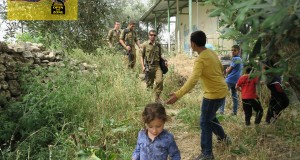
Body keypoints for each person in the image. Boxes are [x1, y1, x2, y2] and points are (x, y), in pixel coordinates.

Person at [166, 30, 229, 160]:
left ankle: (207, 154)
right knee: (210, 117)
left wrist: (177, 95)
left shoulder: (200, 59)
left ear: (193, 44)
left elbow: (192, 80)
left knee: (205, 121)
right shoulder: (211, 53)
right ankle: (224, 139)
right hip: (222, 90)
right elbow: (221, 69)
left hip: (213, 94)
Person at [140, 30, 167, 102]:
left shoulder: (158, 45)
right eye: (151, 35)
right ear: (149, 35)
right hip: (149, 66)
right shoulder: (145, 45)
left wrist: (165, 61)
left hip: (157, 66)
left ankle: (157, 97)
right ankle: (148, 100)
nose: (153, 36)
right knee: (149, 84)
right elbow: (141, 57)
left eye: (154, 35)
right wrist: (143, 66)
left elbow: (160, 56)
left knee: (159, 81)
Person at [262, 58, 289, 124]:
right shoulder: (270, 57)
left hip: (274, 83)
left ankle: (268, 120)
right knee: (285, 101)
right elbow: (263, 66)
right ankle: (275, 112)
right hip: (274, 84)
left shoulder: (276, 60)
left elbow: (278, 74)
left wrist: (284, 82)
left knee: (273, 101)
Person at [219, 45, 243, 115]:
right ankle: (235, 112)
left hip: (230, 80)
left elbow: (229, 71)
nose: (232, 52)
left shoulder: (235, 59)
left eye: (234, 50)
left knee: (222, 95)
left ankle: (221, 112)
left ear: (239, 51)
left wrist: (226, 70)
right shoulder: (240, 59)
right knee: (234, 96)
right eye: (232, 50)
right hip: (236, 80)